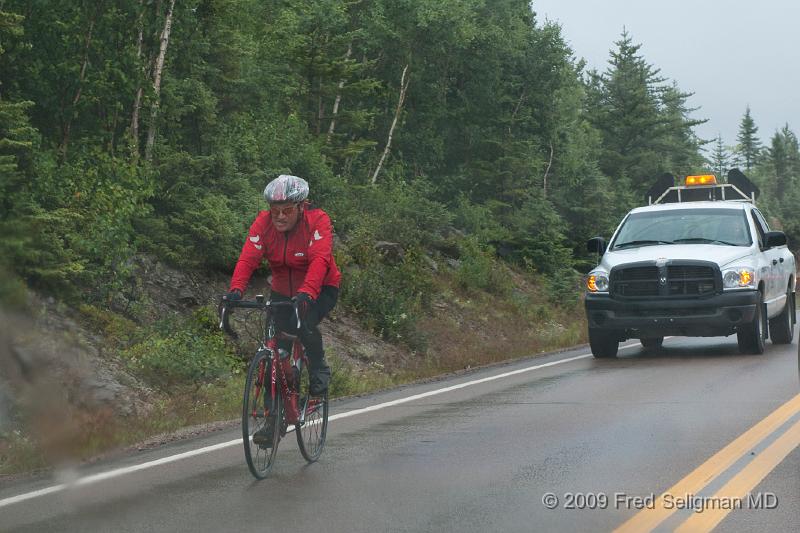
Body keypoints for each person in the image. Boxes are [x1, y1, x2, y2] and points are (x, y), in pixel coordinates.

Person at [226, 175, 340, 405]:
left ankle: (319, 367)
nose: (279, 216)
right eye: (274, 210)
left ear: (301, 206)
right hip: (281, 290)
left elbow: (320, 260)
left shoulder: (317, 220)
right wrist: (235, 290)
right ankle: (272, 420)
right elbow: (248, 259)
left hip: (321, 287)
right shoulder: (263, 223)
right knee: (275, 348)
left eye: (286, 210)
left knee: (302, 323)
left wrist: (307, 293)